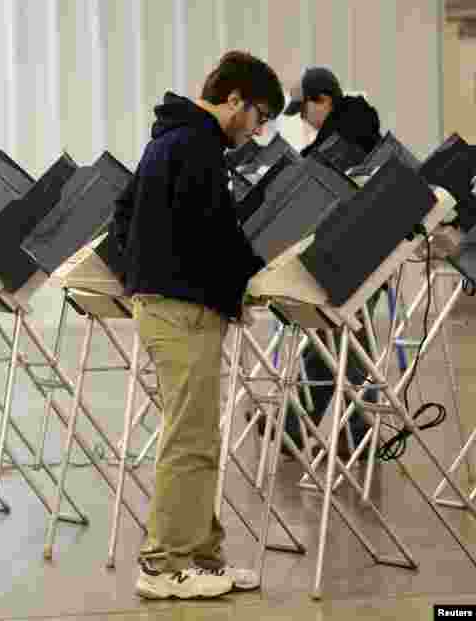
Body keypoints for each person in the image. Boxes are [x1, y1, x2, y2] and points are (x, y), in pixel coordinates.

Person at [109, 51, 284, 599]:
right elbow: (215, 234)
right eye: (259, 116)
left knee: (200, 438)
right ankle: (162, 565)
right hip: (180, 309)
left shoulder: (171, 138)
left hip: (176, 302)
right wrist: (251, 278)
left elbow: (123, 215)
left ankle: (204, 558)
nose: (257, 131)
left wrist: (149, 269)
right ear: (235, 100)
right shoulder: (197, 144)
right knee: (189, 441)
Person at [280, 67, 383, 457]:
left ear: (322, 99)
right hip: (351, 253)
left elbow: (319, 166)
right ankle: (299, 425)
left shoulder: (351, 125)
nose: (303, 120)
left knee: (348, 347)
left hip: (359, 254)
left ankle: (353, 435)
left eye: (304, 109)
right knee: (328, 339)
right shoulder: (346, 128)